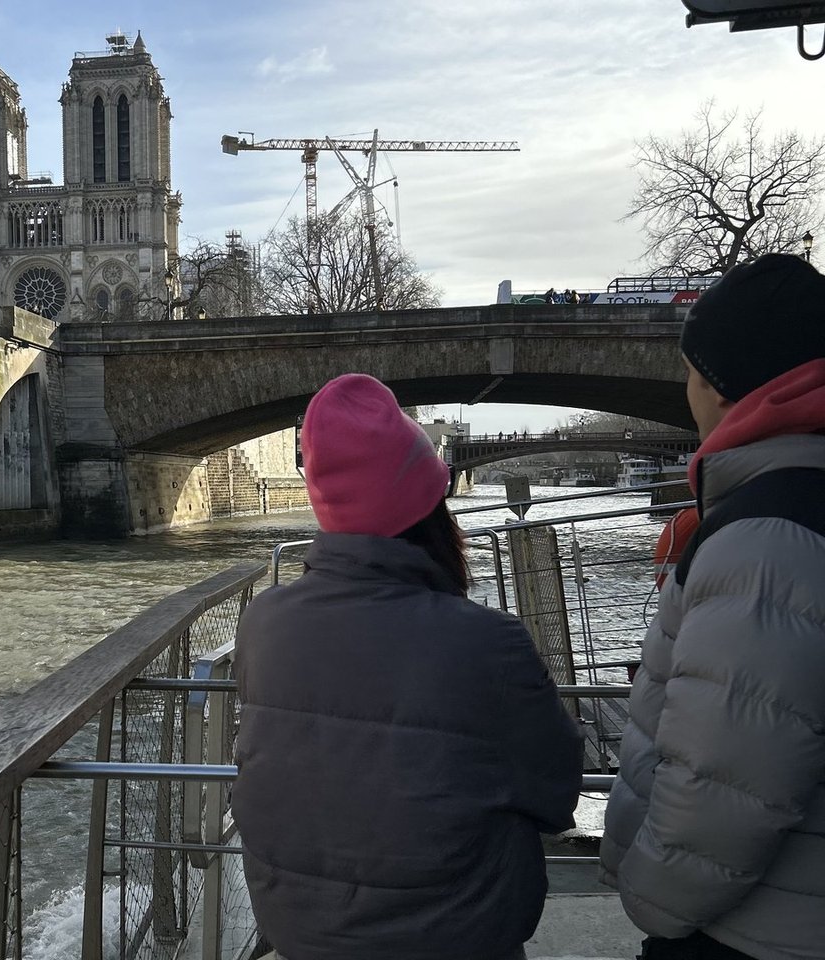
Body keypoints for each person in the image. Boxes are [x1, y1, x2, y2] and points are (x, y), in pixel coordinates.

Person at [232, 373, 584, 960]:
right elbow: (556, 794)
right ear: (431, 507)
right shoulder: (487, 642)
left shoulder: (263, 621)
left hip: (301, 934)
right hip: (457, 939)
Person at [600, 253, 825, 960]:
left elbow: (726, 781)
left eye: (692, 371)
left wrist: (653, 904)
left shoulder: (767, 539)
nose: (686, 390)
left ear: (723, 387)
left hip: (750, 933)